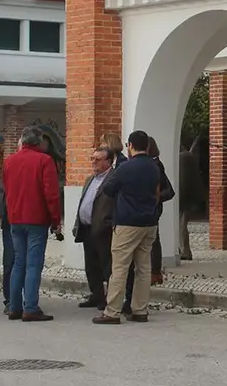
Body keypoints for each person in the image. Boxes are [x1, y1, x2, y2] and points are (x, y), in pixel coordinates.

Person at [93, 130, 161, 325]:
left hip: (127, 222)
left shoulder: (125, 168)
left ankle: (112, 311)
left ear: (130, 146)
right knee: (143, 268)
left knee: (120, 268)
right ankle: (140, 310)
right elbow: (157, 192)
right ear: (146, 146)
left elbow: (108, 188)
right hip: (149, 222)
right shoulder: (154, 167)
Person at [2, 126, 62, 322]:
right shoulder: (45, 161)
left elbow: (7, 190)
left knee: (19, 262)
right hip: (36, 218)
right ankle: (30, 307)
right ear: (39, 142)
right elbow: (51, 194)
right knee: (33, 264)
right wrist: (56, 220)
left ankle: (14, 306)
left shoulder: (9, 161)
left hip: (16, 218)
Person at [122, 135, 174, 312]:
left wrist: (155, 199)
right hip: (143, 209)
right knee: (149, 243)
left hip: (149, 209)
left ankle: (155, 272)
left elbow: (168, 190)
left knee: (153, 241)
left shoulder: (155, 165)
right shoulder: (140, 165)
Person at [73, 146, 116, 309]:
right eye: (92, 158)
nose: (93, 162)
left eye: (98, 159)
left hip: (103, 229)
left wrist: (108, 222)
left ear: (108, 161)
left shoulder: (113, 178)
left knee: (107, 265)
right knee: (91, 265)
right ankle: (96, 295)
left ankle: (109, 298)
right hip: (87, 228)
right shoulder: (90, 179)